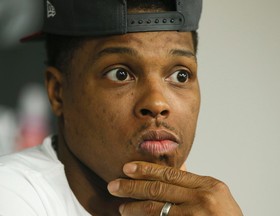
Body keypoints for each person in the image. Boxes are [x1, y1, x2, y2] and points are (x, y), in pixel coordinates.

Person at [0, 0, 243, 215]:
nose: (158, 103)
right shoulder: (11, 194)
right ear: (58, 92)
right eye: (120, 74)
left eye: (180, 75)